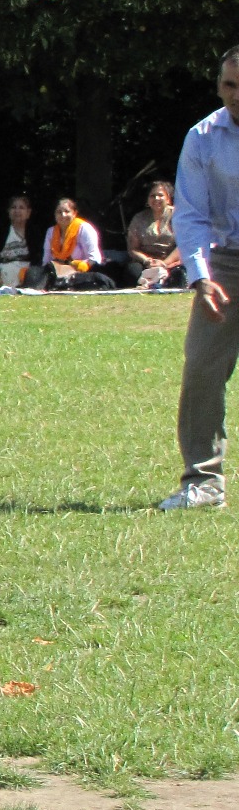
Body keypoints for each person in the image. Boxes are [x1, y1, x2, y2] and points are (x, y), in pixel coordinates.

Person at [163, 46, 239, 510]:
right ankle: (204, 483)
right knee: (202, 370)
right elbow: (190, 214)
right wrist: (200, 276)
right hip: (225, 263)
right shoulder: (203, 136)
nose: (236, 95)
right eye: (229, 85)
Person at [127, 180, 185, 290]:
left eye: (160, 195)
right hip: (146, 262)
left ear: (168, 198)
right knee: (132, 271)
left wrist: (164, 263)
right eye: (152, 196)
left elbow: (183, 245)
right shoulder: (139, 218)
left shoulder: (178, 216)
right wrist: (147, 260)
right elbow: (133, 249)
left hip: (171, 262)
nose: (156, 199)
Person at [41, 197, 108, 289]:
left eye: (67, 211)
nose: (63, 215)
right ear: (55, 214)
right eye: (59, 212)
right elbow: (46, 260)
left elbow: (95, 258)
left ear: (74, 213)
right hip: (57, 274)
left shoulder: (84, 228)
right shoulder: (50, 232)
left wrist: (80, 266)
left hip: (81, 274)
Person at [0, 195, 43, 290]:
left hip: (27, 275)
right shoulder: (0, 231)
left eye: (21, 208)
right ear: (8, 211)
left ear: (28, 213)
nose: (17, 211)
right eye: (14, 207)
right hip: (3, 273)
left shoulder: (34, 233)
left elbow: (38, 259)